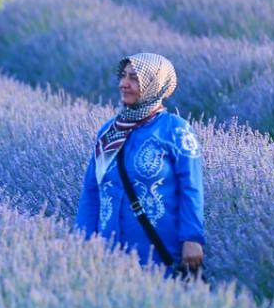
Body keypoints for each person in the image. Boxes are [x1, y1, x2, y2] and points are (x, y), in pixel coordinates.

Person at [76, 53, 205, 277]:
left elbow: (191, 189)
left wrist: (192, 238)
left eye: (134, 78)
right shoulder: (110, 131)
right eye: (123, 76)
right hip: (107, 252)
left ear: (154, 84)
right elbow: (91, 190)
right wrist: (81, 241)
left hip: (158, 251)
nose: (123, 84)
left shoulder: (176, 130)